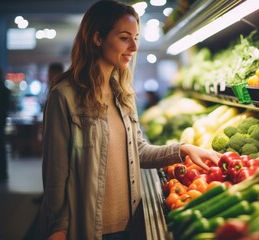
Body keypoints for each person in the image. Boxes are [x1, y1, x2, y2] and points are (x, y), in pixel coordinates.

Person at [35, 1, 222, 240]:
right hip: (88, 228)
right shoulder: (64, 96)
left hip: (130, 225)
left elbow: (139, 151)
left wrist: (183, 149)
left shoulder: (123, 95)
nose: (134, 46)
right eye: (124, 38)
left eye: (135, 37)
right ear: (97, 38)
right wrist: (57, 228)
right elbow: (55, 174)